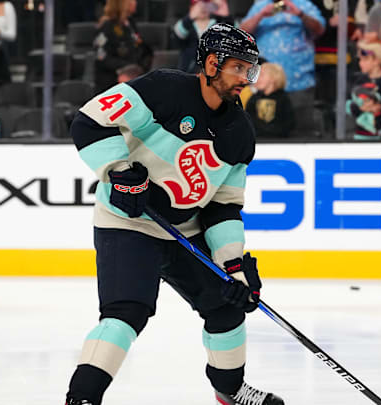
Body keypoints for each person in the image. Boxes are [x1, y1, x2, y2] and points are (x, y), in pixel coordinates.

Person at [64, 23, 283, 405]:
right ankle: (82, 397)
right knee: (126, 313)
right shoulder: (163, 89)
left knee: (226, 308)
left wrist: (232, 265)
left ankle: (230, 391)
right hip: (127, 222)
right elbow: (90, 121)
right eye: (239, 68)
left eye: (251, 70)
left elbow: (223, 206)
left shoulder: (239, 132)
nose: (246, 79)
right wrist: (119, 173)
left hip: (184, 228)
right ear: (212, 64)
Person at [241, 0, 325, 136]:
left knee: (300, 130)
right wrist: (260, 15)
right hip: (265, 87)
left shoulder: (304, 5)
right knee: (261, 127)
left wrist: (300, 14)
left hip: (299, 82)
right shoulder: (261, 6)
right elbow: (241, 33)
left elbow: (319, 29)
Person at [94, 0, 153, 93]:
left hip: (133, 78)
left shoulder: (130, 23)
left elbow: (139, 46)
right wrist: (127, 67)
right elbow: (102, 58)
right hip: (112, 83)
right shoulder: (107, 26)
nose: (135, 2)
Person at [173, 0, 235, 73]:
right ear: (191, 8)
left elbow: (235, 38)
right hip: (188, 71)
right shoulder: (186, 24)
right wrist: (189, 18)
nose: (203, 8)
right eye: (198, 5)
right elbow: (177, 38)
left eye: (207, 6)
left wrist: (227, 17)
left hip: (214, 71)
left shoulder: (219, 24)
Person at [245, 63, 295, 138]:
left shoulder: (284, 99)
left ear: (274, 78)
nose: (257, 78)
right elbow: (248, 121)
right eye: (256, 75)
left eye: (261, 75)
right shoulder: (253, 99)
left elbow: (289, 123)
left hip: (279, 142)